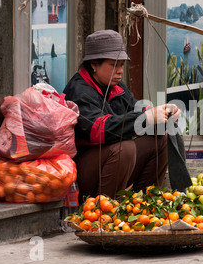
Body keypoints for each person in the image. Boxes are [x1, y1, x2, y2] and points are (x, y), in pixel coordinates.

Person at [63, 29, 180, 202]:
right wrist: (146, 117)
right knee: (124, 148)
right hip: (80, 173)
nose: (119, 71)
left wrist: (161, 113)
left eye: (121, 65)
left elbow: (135, 108)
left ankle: (143, 206)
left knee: (159, 139)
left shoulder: (116, 86)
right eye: (113, 65)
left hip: (108, 164)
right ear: (94, 64)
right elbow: (100, 130)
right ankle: (104, 212)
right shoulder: (79, 91)